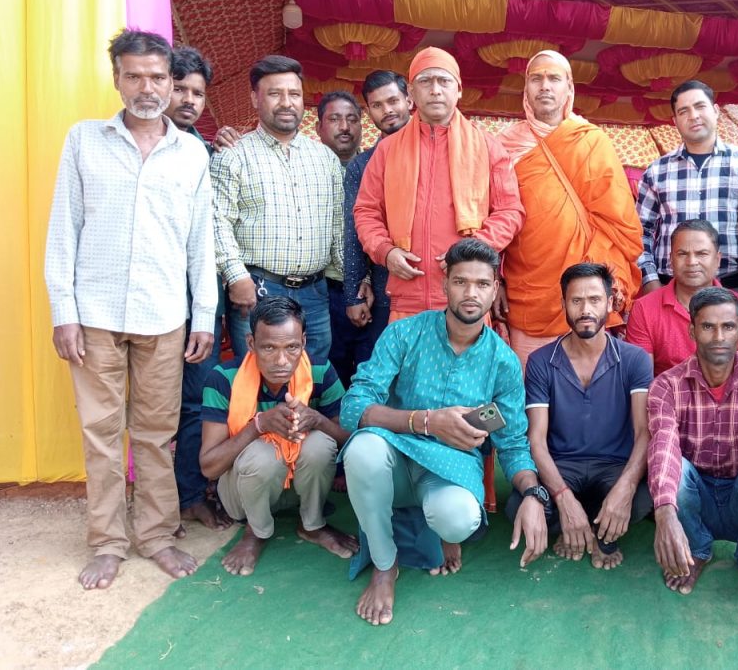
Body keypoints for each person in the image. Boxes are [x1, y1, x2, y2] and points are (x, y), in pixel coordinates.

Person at [45, 30, 218, 589]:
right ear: (116, 79)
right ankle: (107, 542)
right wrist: (64, 311)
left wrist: (204, 314)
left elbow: (201, 242)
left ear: (170, 82)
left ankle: (156, 535)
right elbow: (63, 229)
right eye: (135, 76)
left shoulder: (191, 153)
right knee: (100, 433)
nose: (147, 88)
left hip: (164, 315)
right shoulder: (84, 141)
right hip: (94, 313)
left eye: (157, 77)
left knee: (155, 433)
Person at [341, 239, 548, 626]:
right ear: (444, 285)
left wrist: (534, 495)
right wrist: (425, 421)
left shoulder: (503, 362)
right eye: (461, 282)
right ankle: (385, 565)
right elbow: (353, 408)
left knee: (458, 519)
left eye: (482, 284)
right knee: (362, 450)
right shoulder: (405, 334)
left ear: (495, 290)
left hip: (450, 471)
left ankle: (434, 529)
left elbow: (512, 444)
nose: (471, 293)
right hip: (394, 461)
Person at [353, 47, 524, 322]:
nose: (435, 90)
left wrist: (474, 249)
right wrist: (385, 251)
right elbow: (366, 211)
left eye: (444, 81)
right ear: (411, 92)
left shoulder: (488, 147)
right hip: (407, 297)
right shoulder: (387, 150)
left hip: (467, 297)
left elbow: (510, 211)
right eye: (425, 81)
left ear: (459, 90)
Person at [496, 50, 643, 364]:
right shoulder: (504, 145)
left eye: (554, 78)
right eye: (536, 79)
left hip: (585, 287)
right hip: (526, 292)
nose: (545, 86)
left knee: (586, 383)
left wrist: (608, 275)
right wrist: (497, 278)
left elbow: (619, 223)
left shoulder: (592, 141)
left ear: (569, 89)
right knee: (532, 382)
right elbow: (494, 216)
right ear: (526, 89)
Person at [647, 288, 738, 605]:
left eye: (727, 326)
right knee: (675, 471)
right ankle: (697, 549)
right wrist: (664, 513)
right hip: (697, 494)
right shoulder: (667, 385)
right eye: (708, 327)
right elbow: (663, 445)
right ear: (692, 331)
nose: (719, 337)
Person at [506, 263, 653, 570]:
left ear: (610, 303)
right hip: (561, 466)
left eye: (594, 299)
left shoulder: (634, 359)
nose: (586, 309)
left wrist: (624, 489)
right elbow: (536, 440)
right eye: (576, 300)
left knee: (643, 498)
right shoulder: (541, 361)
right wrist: (563, 498)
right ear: (563, 305)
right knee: (519, 505)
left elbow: (644, 433)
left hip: (613, 466)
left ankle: (594, 531)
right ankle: (582, 524)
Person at [198, 297, 359, 576]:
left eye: (292, 347)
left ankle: (312, 525)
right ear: (251, 343)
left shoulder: (320, 370)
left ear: (304, 342)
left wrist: (317, 419)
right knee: (263, 454)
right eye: (269, 348)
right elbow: (209, 467)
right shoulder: (224, 378)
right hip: (241, 495)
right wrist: (258, 426)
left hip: (296, 491)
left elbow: (352, 439)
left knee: (320, 443)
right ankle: (256, 531)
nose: (282, 361)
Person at [212, 55, 343, 362]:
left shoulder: (325, 159)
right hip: (257, 290)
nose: (286, 103)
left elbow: (338, 227)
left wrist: (355, 285)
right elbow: (217, 222)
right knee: (258, 378)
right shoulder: (233, 155)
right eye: (275, 94)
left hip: (315, 293)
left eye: (294, 94)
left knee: (314, 377)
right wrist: (236, 277)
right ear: (255, 99)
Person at [162, 46, 232, 536]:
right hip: (151, 298)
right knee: (151, 404)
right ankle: (158, 501)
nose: (188, 100)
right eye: (180, 89)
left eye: (198, 93)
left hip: (203, 299)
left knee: (196, 397)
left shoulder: (207, 154)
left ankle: (189, 495)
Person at [636, 80, 738, 297]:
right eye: (684, 111)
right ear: (675, 121)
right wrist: (650, 280)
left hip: (735, 287)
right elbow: (640, 232)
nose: (693, 116)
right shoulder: (657, 171)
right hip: (670, 289)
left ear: (716, 111)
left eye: (700, 106)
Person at [627, 220, 738, 376]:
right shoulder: (644, 308)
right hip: (665, 391)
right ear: (671, 260)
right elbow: (642, 380)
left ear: (717, 259)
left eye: (702, 254)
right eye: (682, 254)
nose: (692, 262)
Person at [341, 71, 413, 376]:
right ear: (368, 111)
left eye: (393, 100)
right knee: (386, 373)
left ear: (409, 100)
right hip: (386, 289)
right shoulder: (363, 164)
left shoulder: (443, 151)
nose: (388, 110)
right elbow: (355, 230)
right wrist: (353, 293)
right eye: (377, 105)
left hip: (439, 286)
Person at [315, 90, 365, 388]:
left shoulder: (376, 166)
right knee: (329, 373)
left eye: (352, 119)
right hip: (324, 290)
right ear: (318, 127)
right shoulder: (305, 169)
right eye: (334, 119)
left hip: (370, 291)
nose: (345, 127)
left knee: (370, 371)